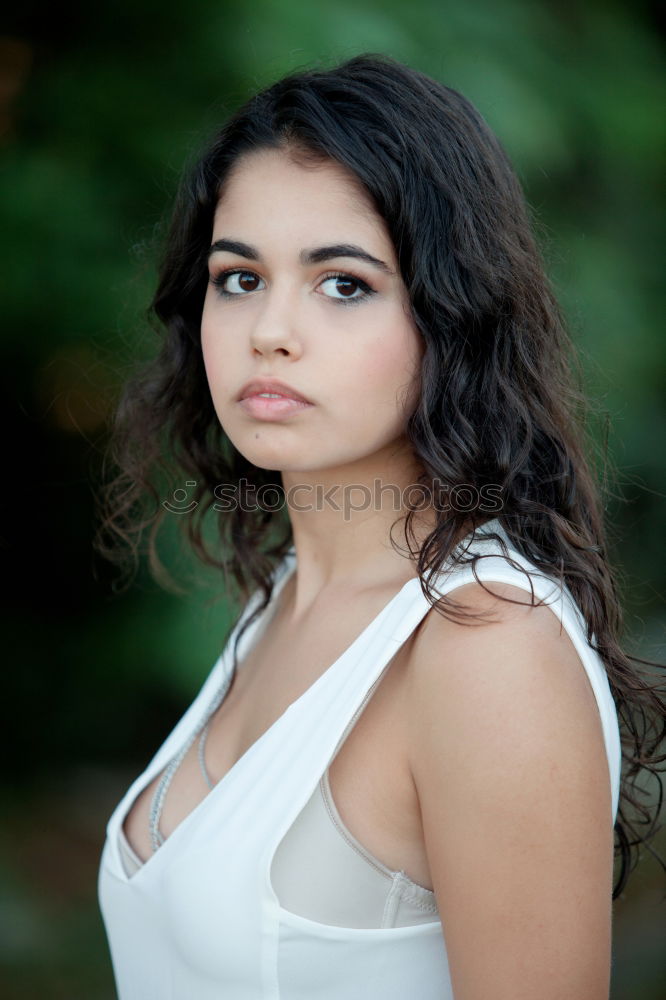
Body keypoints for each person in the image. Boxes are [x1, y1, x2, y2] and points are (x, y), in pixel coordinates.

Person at [94, 53, 664, 999]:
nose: (270, 328)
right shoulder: (282, 597)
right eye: (238, 278)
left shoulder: (488, 648)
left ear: (451, 316)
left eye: (343, 284)